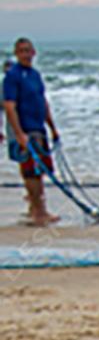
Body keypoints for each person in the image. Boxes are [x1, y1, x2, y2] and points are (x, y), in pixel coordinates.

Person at [2, 37, 60, 225]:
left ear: (34, 53)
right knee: (30, 172)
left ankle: (37, 208)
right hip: (24, 129)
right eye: (22, 51)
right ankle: (38, 213)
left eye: (29, 50)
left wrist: (52, 128)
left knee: (41, 170)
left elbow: (43, 102)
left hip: (38, 127)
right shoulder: (12, 76)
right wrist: (19, 134)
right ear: (17, 54)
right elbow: (9, 106)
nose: (26, 54)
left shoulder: (35, 75)